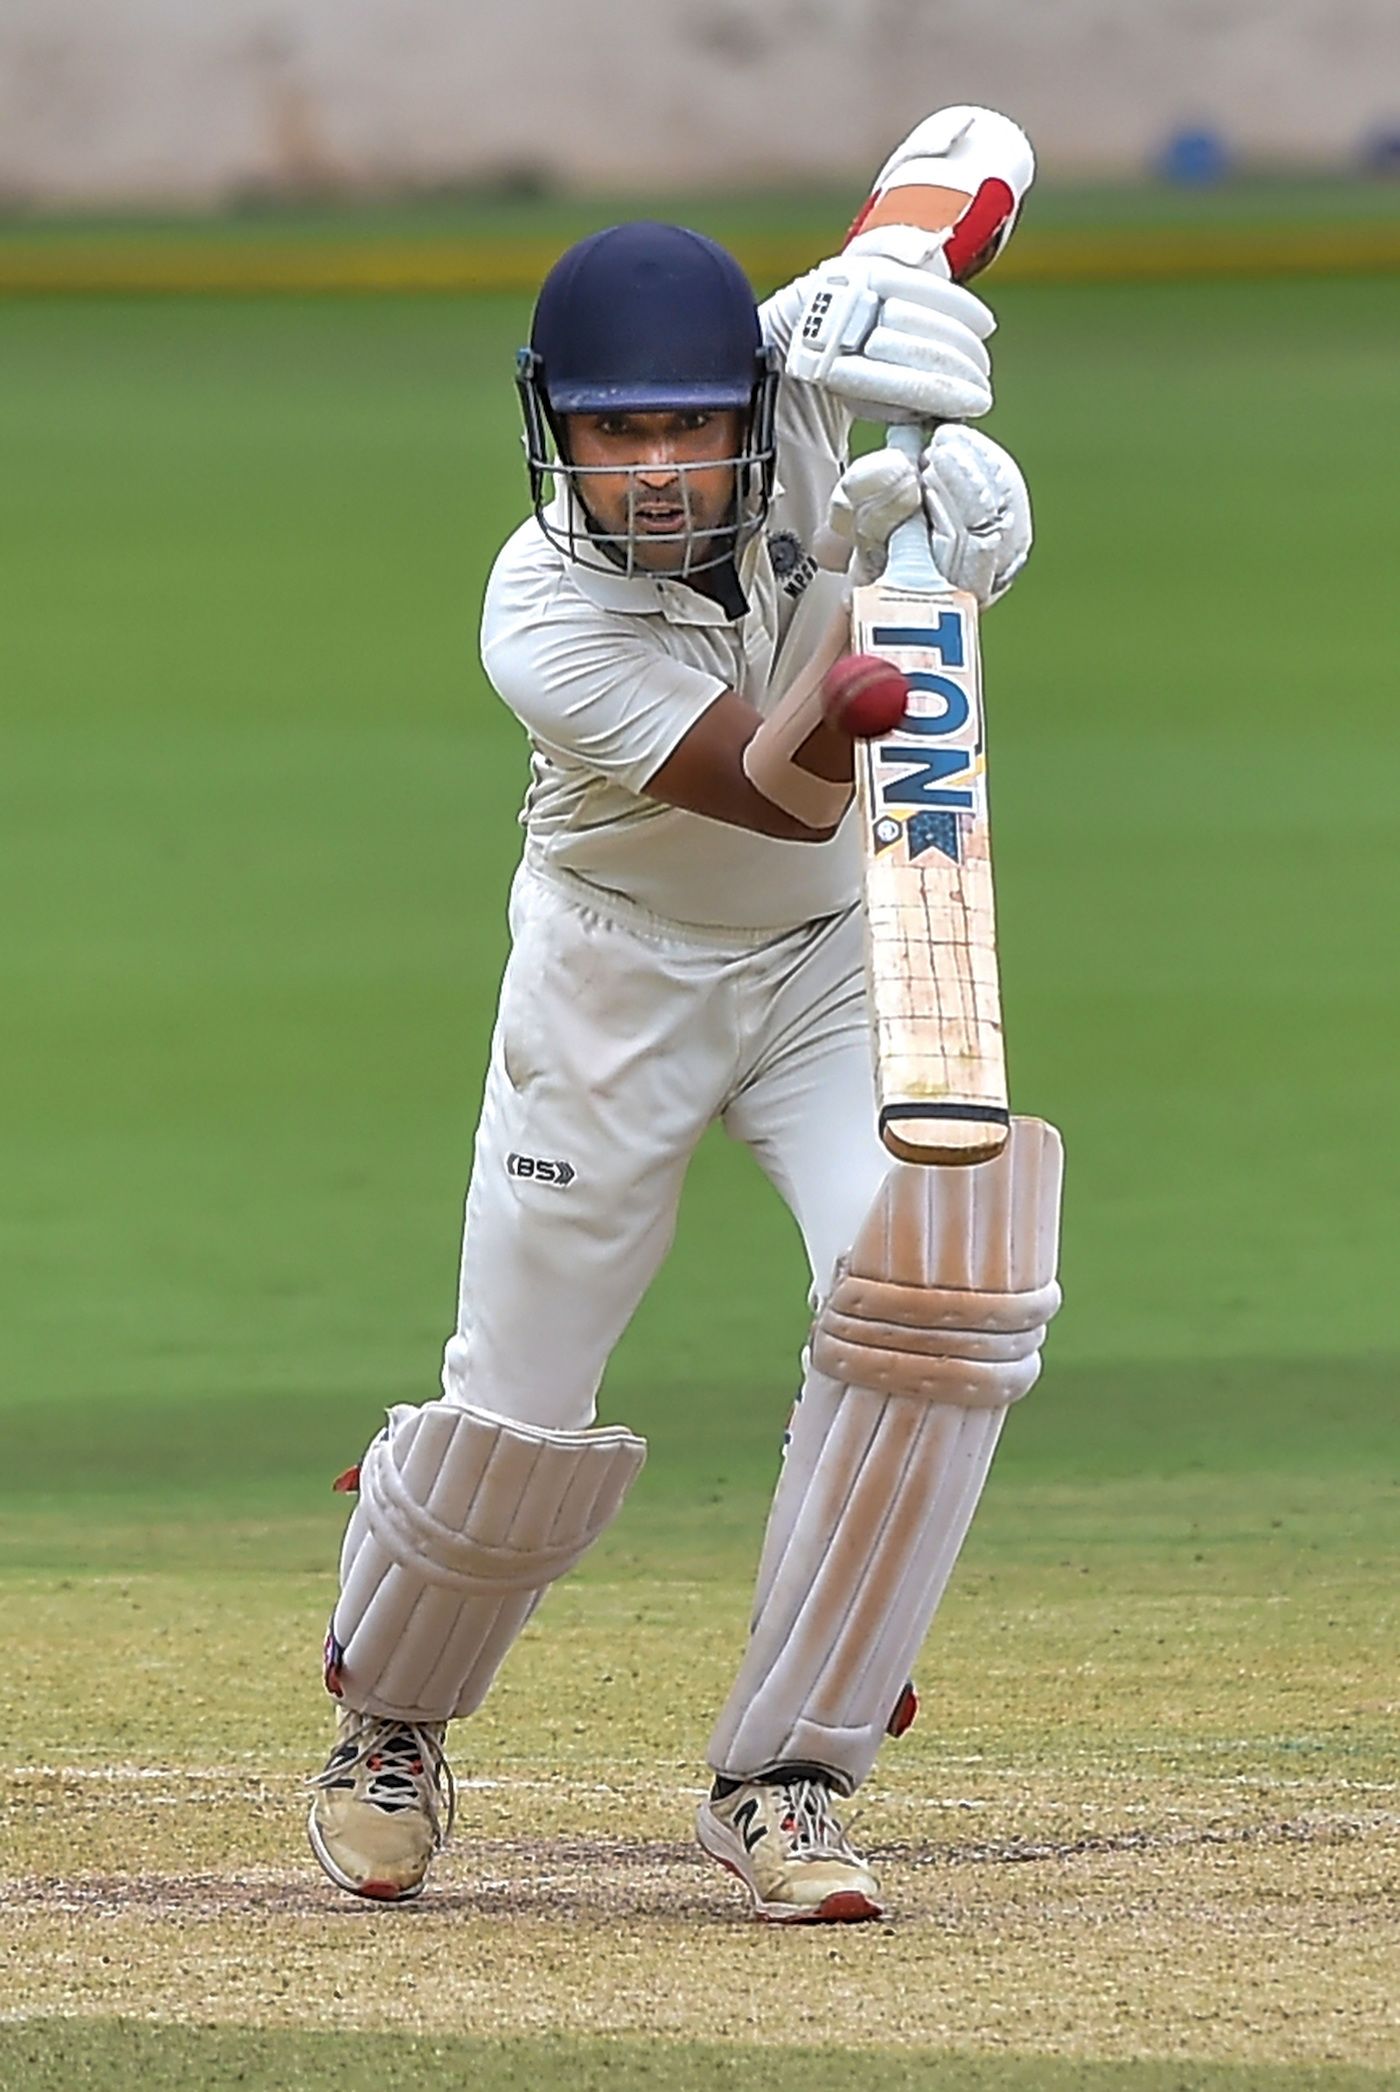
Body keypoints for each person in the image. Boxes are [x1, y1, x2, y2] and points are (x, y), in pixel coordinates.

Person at [307, 105, 1063, 1924]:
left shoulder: (814, 386)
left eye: (689, 422)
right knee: (523, 1395)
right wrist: (879, 615)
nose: (655, 467)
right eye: (613, 430)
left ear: (748, 400)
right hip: (614, 969)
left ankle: (789, 1771)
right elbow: (788, 791)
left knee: (944, 1297)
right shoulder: (540, 612)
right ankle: (390, 1717)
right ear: (554, 432)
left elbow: (975, 144)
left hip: (838, 958)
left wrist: (912, 309)